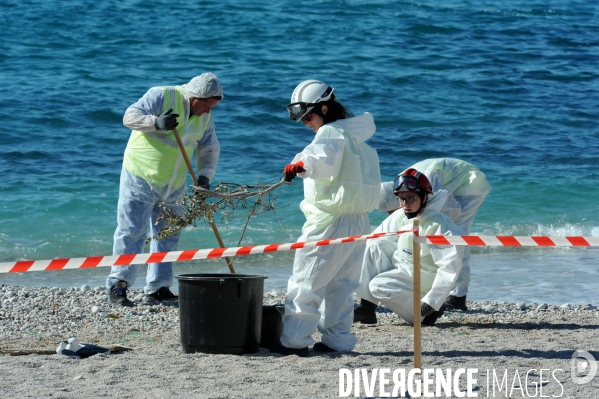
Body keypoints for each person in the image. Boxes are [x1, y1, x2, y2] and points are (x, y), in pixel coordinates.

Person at [270, 80, 381, 356]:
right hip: (358, 220)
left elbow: (321, 157)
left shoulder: (330, 133)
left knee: (306, 280)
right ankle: (337, 340)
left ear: (324, 107)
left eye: (309, 115)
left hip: (330, 221)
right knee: (342, 285)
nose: (306, 122)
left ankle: (294, 342)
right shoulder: (352, 134)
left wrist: (301, 165)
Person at [106, 73, 223, 307]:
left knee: (168, 235)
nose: (208, 111)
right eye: (206, 106)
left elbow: (208, 148)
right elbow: (130, 116)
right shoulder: (162, 96)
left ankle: (158, 288)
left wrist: (203, 178)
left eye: (212, 107)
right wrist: (155, 123)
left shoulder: (204, 118)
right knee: (132, 230)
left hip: (174, 181)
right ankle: (118, 284)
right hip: (140, 174)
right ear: (193, 98)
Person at [371, 158, 491, 313]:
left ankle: (458, 297)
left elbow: (455, 210)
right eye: (401, 199)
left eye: (390, 211)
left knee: (458, 237)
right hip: (451, 181)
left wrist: (443, 225)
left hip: (470, 184)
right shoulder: (405, 183)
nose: (393, 214)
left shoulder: (425, 184)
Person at [354, 168, 467, 326]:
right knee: (375, 244)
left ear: (424, 197)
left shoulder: (439, 224)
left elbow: (450, 266)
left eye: (410, 198)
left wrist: (433, 300)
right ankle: (367, 307)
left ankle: (426, 315)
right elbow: (375, 237)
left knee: (378, 286)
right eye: (401, 199)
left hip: (424, 279)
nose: (405, 204)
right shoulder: (401, 215)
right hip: (405, 267)